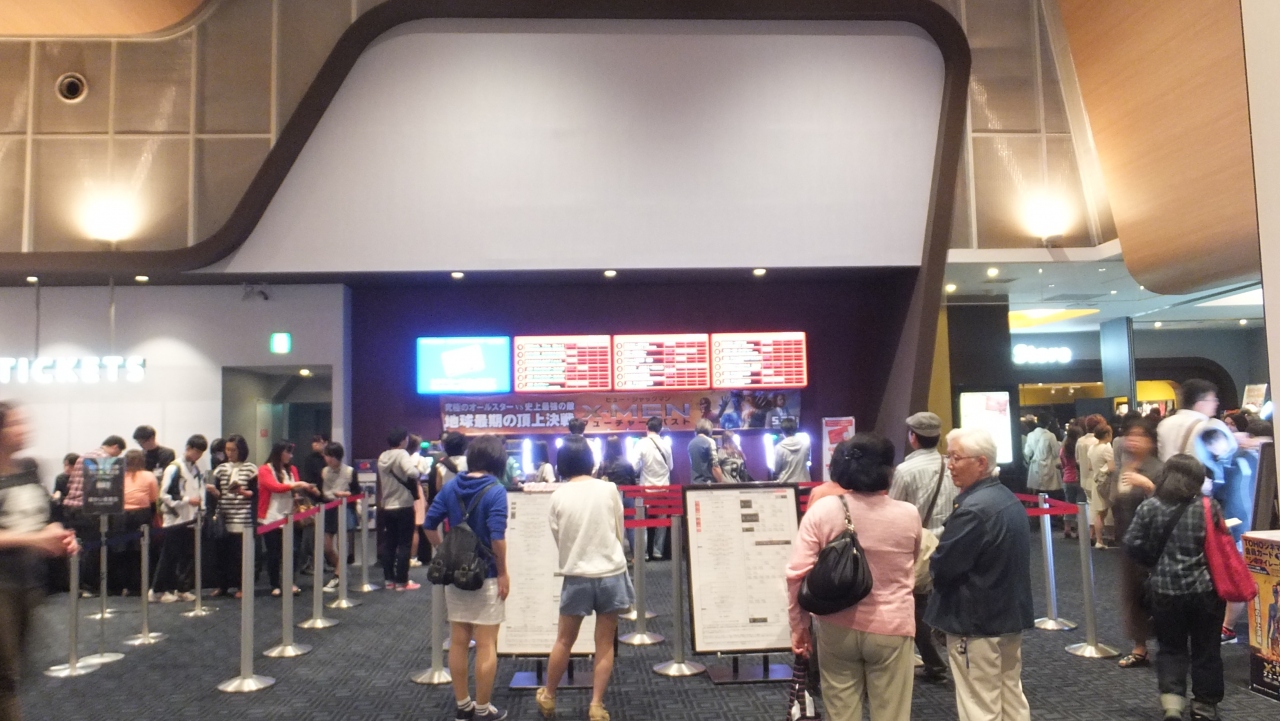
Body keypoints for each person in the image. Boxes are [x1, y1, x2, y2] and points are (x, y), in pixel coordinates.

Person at [787, 433, 921, 721]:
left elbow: (796, 574)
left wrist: (799, 627)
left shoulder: (823, 510)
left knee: (841, 712)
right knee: (892, 714)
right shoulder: (909, 514)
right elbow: (913, 562)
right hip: (892, 626)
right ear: (888, 470)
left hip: (836, 625)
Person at [925, 427, 1034, 721]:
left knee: (979, 706)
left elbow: (943, 567)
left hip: (975, 623)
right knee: (1011, 699)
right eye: (948, 457)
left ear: (981, 462)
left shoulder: (974, 510)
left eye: (956, 458)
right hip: (1006, 617)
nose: (950, 465)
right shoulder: (1006, 498)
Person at [1123, 455, 1228, 721]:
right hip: (1205, 591)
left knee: (1171, 648)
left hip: (1165, 592)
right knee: (1207, 649)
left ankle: (1172, 705)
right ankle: (1204, 707)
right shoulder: (1208, 506)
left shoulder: (1150, 507)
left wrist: (1152, 562)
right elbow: (1222, 546)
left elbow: (1132, 543)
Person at [536, 436, 633, 721]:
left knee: (564, 640)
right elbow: (619, 528)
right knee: (604, 643)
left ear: (562, 463)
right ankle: (596, 705)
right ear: (590, 460)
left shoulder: (558, 495)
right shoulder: (609, 489)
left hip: (577, 575)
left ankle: (549, 696)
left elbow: (559, 536)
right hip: (611, 573)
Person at [0, 402, 79, 721]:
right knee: (5, 679)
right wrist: (35, 540)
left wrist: (59, 535)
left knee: (14, 673)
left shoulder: (29, 468)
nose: (24, 429)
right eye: (15, 424)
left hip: (28, 584)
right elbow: (30, 534)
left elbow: (43, 519)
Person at [425, 435, 511, 721]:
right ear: (497, 460)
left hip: (456, 575)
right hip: (486, 575)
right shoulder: (496, 490)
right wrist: (503, 572)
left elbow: (429, 524)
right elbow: (497, 538)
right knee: (486, 643)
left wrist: (444, 551)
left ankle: (463, 706)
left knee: (459, 641)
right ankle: (483, 709)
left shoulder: (452, 486)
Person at [888, 411, 955, 682]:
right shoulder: (951, 466)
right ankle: (952, 656)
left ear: (913, 437)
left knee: (917, 605)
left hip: (918, 546)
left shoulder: (905, 471)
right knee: (946, 600)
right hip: (950, 542)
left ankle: (933, 662)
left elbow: (894, 510)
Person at [1108, 420, 1162, 669]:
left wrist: (1148, 486)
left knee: (1155, 595)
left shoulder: (1158, 469)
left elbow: (1168, 505)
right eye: (1130, 435)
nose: (1133, 440)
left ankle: (1169, 645)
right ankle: (1140, 648)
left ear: (1151, 441)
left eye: (1140, 436)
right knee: (1132, 594)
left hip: (1152, 544)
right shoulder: (1124, 467)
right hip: (1129, 543)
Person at [61, 435, 127, 595]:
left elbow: (70, 483)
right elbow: (104, 487)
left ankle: (75, 584)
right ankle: (88, 586)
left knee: (76, 548)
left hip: (71, 507)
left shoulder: (83, 456)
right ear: (115, 447)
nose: (116, 456)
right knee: (91, 549)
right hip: (90, 509)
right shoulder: (105, 459)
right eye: (118, 453)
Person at [154, 435, 208, 603]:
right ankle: (158, 590)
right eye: (196, 451)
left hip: (191, 519)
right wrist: (186, 500)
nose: (197, 455)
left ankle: (182, 588)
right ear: (188, 448)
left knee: (187, 556)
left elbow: (200, 491)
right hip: (175, 519)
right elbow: (164, 495)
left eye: (200, 453)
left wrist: (201, 509)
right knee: (169, 556)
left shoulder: (196, 469)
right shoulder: (174, 468)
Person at [258, 441, 312, 596]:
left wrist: (301, 491)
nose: (290, 456)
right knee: (273, 553)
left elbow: (295, 489)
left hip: (290, 515)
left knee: (293, 551)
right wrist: (296, 485)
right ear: (279, 452)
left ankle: (291, 582)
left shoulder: (292, 469)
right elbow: (274, 487)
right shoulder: (265, 469)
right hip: (271, 516)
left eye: (291, 452)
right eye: (287, 452)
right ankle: (275, 584)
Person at [211, 435, 257, 598]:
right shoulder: (220, 469)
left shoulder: (250, 468)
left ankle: (242, 586)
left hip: (243, 516)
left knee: (240, 555)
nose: (229, 453)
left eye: (233, 450)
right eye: (227, 450)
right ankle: (222, 586)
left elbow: (255, 493)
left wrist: (242, 491)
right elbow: (218, 493)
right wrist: (213, 492)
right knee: (223, 554)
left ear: (241, 450)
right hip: (225, 515)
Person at [377, 428, 422, 591]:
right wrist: (418, 470)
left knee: (390, 543)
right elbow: (412, 472)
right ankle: (402, 581)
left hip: (388, 506)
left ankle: (389, 580)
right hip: (403, 505)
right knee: (404, 544)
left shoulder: (383, 456)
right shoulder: (402, 454)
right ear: (403, 440)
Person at [117, 449, 160, 596]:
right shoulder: (149, 475)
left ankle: (126, 586)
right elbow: (154, 498)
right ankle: (142, 584)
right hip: (142, 514)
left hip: (121, 516)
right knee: (142, 550)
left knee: (123, 551)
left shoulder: (119, 476)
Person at [633, 417, 673, 560]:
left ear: (646, 428)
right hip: (663, 489)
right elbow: (671, 467)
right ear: (661, 429)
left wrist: (642, 468)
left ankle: (644, 552)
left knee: (643, 521)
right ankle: (657, 551)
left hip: (646, 490)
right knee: (661, 521)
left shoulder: (641, 443)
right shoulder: (666, 445)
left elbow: (634, 466)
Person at [320, 442, 357, 591]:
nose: (328, 459)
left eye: (331, 456)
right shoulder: (324, 471)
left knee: (343, 545)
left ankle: (338, 576)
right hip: (329, 507)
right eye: (326, 456)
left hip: (344, 507)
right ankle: (341, 570)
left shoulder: (349, 471)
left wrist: (345, 494)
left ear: (338, 456)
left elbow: (356, 492)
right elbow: (322, 492)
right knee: (327, 547)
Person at [1158, 379, 1219, 461]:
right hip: (1195, 469)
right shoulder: (1207, 427)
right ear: (1200, 403)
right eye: (1213, 400)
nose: (1216, 403)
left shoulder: (1164, 424)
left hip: (1168, 468)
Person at [1087, 424, 1115, 548]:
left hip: (1096, 481)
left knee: (1099, 512)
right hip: (1105, 483)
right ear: (1107, 434)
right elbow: (1112, 467)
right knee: (1102, 513)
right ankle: (1100, 540)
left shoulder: (1092, 448)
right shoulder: (1106, 448)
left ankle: (1099, 539)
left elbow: (1090, 467)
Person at [407, 434, 433, 567]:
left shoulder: (403, 458)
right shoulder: (420, 459)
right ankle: (412, 557)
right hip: (416, 491)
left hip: (402, 491)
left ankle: (402, 556)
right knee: (415, 528)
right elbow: (427, 472)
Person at [1023, 414, 1061, 499]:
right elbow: (1056, 452)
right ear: (1048, 423)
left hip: (1035, 467)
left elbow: (1027, 452)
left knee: (1038, 493)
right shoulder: (1051, 435)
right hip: (1049, 467)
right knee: (1051, 494)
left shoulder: (1030, 435)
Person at [1060, 424, 1083, 539]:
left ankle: (1067, 528)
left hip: (1067, 479)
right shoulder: (1080, 448)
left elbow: (1063, 464)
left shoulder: (1063, 449)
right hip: (1079, 479)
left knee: (1068, 504)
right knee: (1081, 505)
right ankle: (1079, 531)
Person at [773, 417, 812, 484]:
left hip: (786, 485)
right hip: (804, 483)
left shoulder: (779, 447)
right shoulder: (806, 445)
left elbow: (776, 469)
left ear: (782, 431)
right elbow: (808, 461)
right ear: (796, 430)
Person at [687, 419, 724, 484]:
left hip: (694, 483)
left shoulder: (691, 443)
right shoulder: (710, 442)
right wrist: (721, 482)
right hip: (708, 483)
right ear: (709, 430)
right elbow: (715, 466)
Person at [50, 452, 77, 525]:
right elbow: (57, 495)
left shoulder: (82, 478)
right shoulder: (60, 478)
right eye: (65, 465)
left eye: (71, 466)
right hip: (63, 507)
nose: (67, 468)